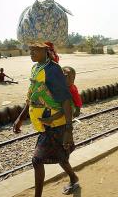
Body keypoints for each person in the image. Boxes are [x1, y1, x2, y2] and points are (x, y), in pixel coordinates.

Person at [12, 42, 79, 197]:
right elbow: (31, 96)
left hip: (57, 124)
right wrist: (21, 117)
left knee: (37, 160)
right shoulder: (36, 68)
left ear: (46, 50)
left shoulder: (53, 69)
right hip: (45, 123)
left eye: (36, 49)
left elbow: (66, 101)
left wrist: (69, 130)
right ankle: (74, 178)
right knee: (61, 157)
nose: (31, 52)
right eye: (30, 49)